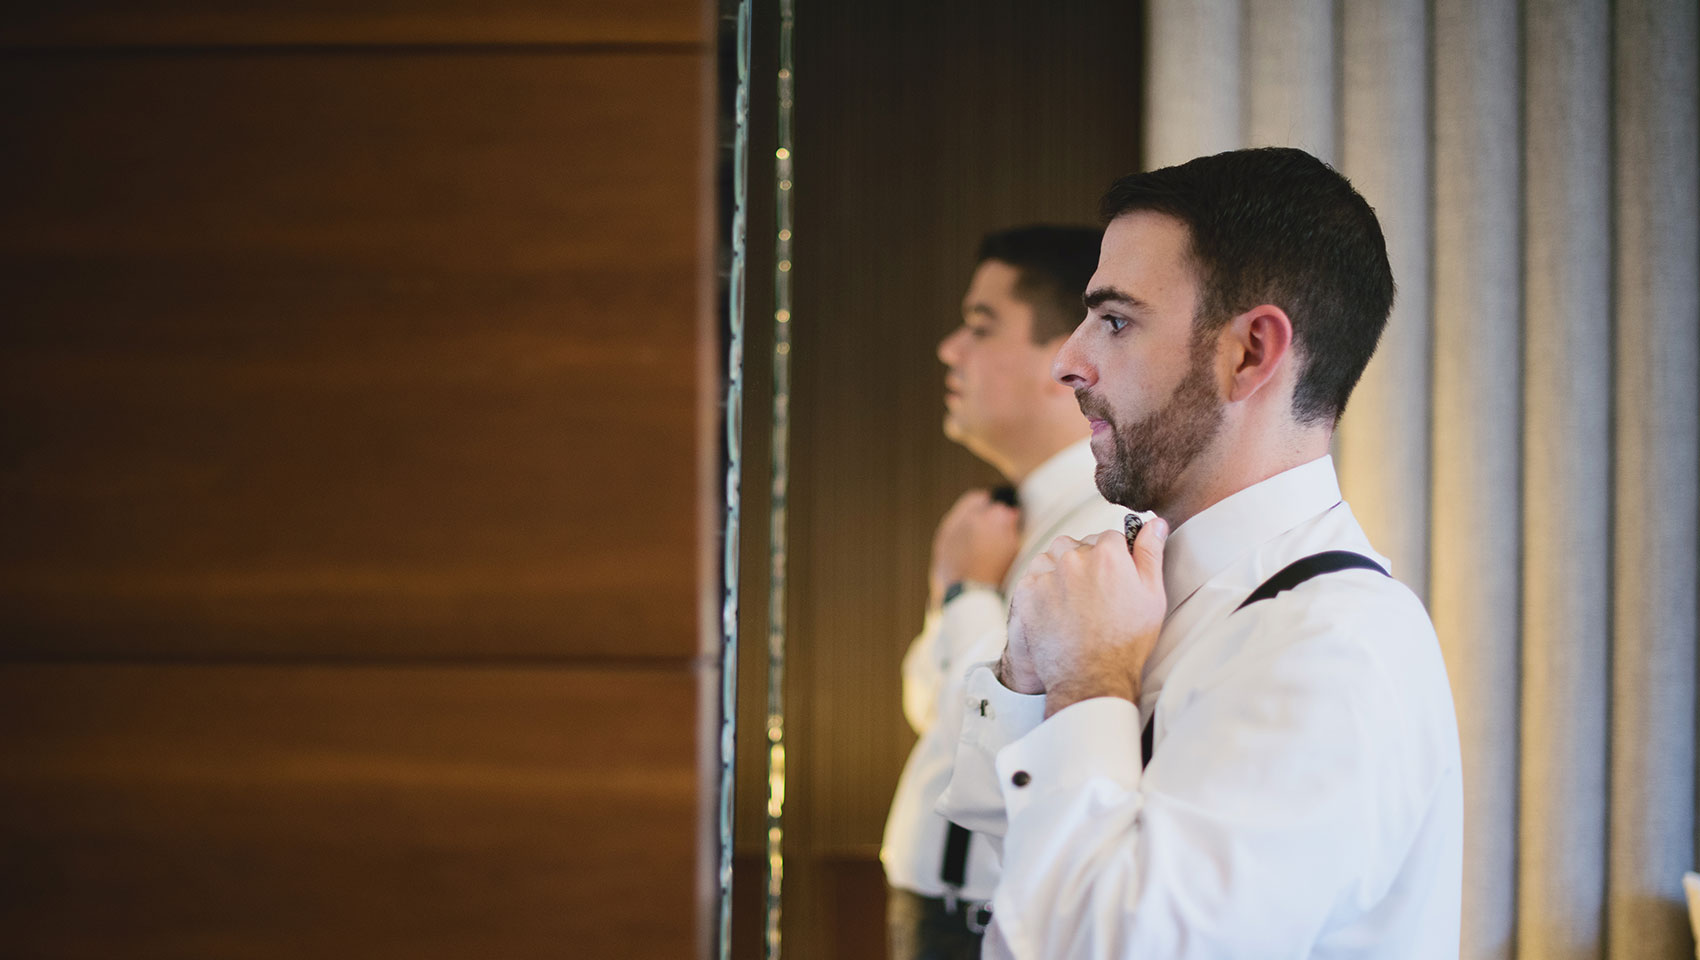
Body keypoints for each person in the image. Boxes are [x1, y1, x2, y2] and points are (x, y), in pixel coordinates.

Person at [937, 148, 1463, 959]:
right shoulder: (1143, 589)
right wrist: (1028, 675)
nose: (1068, 361)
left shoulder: (1335, 649)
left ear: (1250, 352)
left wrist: (1091, 681)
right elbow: (1017, 869)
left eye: (1114, 320)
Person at [881, 225, 1130, 960]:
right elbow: (929, 704)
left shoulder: (1105, 533)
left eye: (981, 326)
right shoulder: (998, 522)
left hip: (997, 924)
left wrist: (965, 595)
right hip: (934, 909)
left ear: (1067, 355)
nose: (949, 349)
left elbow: (995, 737)